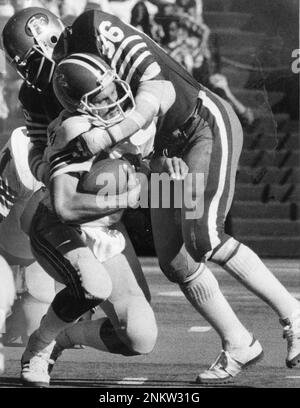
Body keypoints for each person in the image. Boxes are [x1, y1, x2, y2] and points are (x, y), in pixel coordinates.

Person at [2, 7, 300, 385]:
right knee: (177, 263)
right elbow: (42, 157)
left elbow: (158, 85)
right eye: (21, 65)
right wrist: (60, 163)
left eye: (28, 60)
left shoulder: (92, 30)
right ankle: (239, 341)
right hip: (152, 159)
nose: (29, 73)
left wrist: (111, 136)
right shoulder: (43, 98)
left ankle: (293, 314)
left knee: (204, 236)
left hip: (195, 129)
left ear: (47, 38)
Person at [20, 54, 158, 387]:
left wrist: (167, 170)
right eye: (101, 98)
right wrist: (124, 199)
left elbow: (146, 171)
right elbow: (65, 205)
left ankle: (65, 336)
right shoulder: (77, 128)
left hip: (105, 228)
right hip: (60, 226)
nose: (114, 100)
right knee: (94, 286)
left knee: (140, 338)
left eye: (113, 90)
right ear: (80, 104)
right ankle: (39, 347)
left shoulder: (126, 117)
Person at [0, 127, 56, 374]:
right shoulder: (21, 155)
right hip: (5, 244)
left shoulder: (92, 144)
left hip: (39, 253)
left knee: (38, 328)